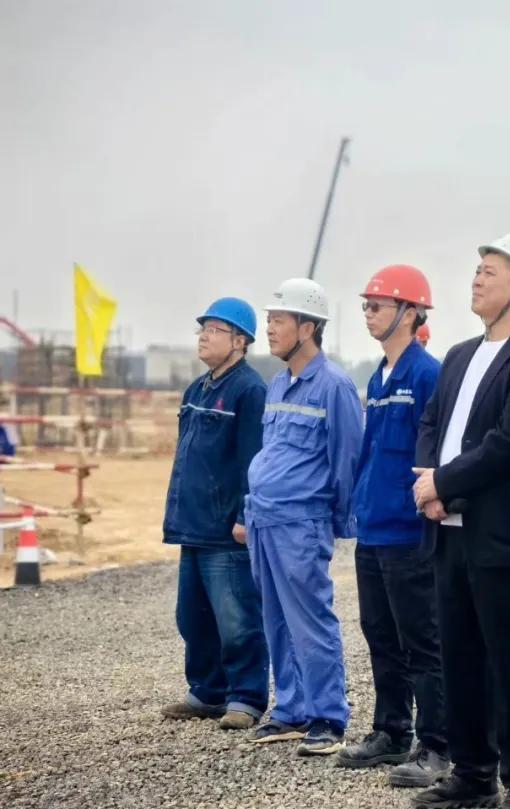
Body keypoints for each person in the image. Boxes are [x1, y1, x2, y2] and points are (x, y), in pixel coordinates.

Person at [411, 233, 510, 809]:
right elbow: (431, 422)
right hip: (446, 532)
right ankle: (472, 776)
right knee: (460, 658)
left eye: (490, 272)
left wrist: (444, 484)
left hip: (496, 537)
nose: (476, 279)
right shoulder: (457, 355)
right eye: (477, 270)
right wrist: (429, 483)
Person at [336, 265, 450, 787]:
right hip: (374, 529)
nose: (367, 313)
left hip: (408, 532)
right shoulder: (380, 376)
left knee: (421, 642)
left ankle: (437, 745)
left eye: (376, 305)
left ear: (409, 313)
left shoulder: (427, 375)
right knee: (380, 635)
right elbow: (371, 451)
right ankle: (390, 731)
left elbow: (438, 451)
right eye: (366, 305)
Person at [245, 278, 364, 756]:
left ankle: (328, 717)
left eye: (279, 320)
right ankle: (291, 710)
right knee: (275, 618)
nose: (269, 329)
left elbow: (346, 459)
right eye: (269, 320)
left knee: (311, 619)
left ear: (308, 327)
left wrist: (336, 521)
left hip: (301, 521)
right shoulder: (277, 383)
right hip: (264, 518)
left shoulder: (333, 385)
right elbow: (272, 452)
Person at [160, 297, 269, 731]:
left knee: (237, 618)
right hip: (192, 524)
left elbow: (253, 460)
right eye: (202, 329)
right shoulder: (196, 390)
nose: (204, 336)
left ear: (240, 341)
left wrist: (244, 514)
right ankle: (207, 692)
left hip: (227, 530)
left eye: (215, 330)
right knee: (193, 617)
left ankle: (246, 697)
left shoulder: (249, 391)